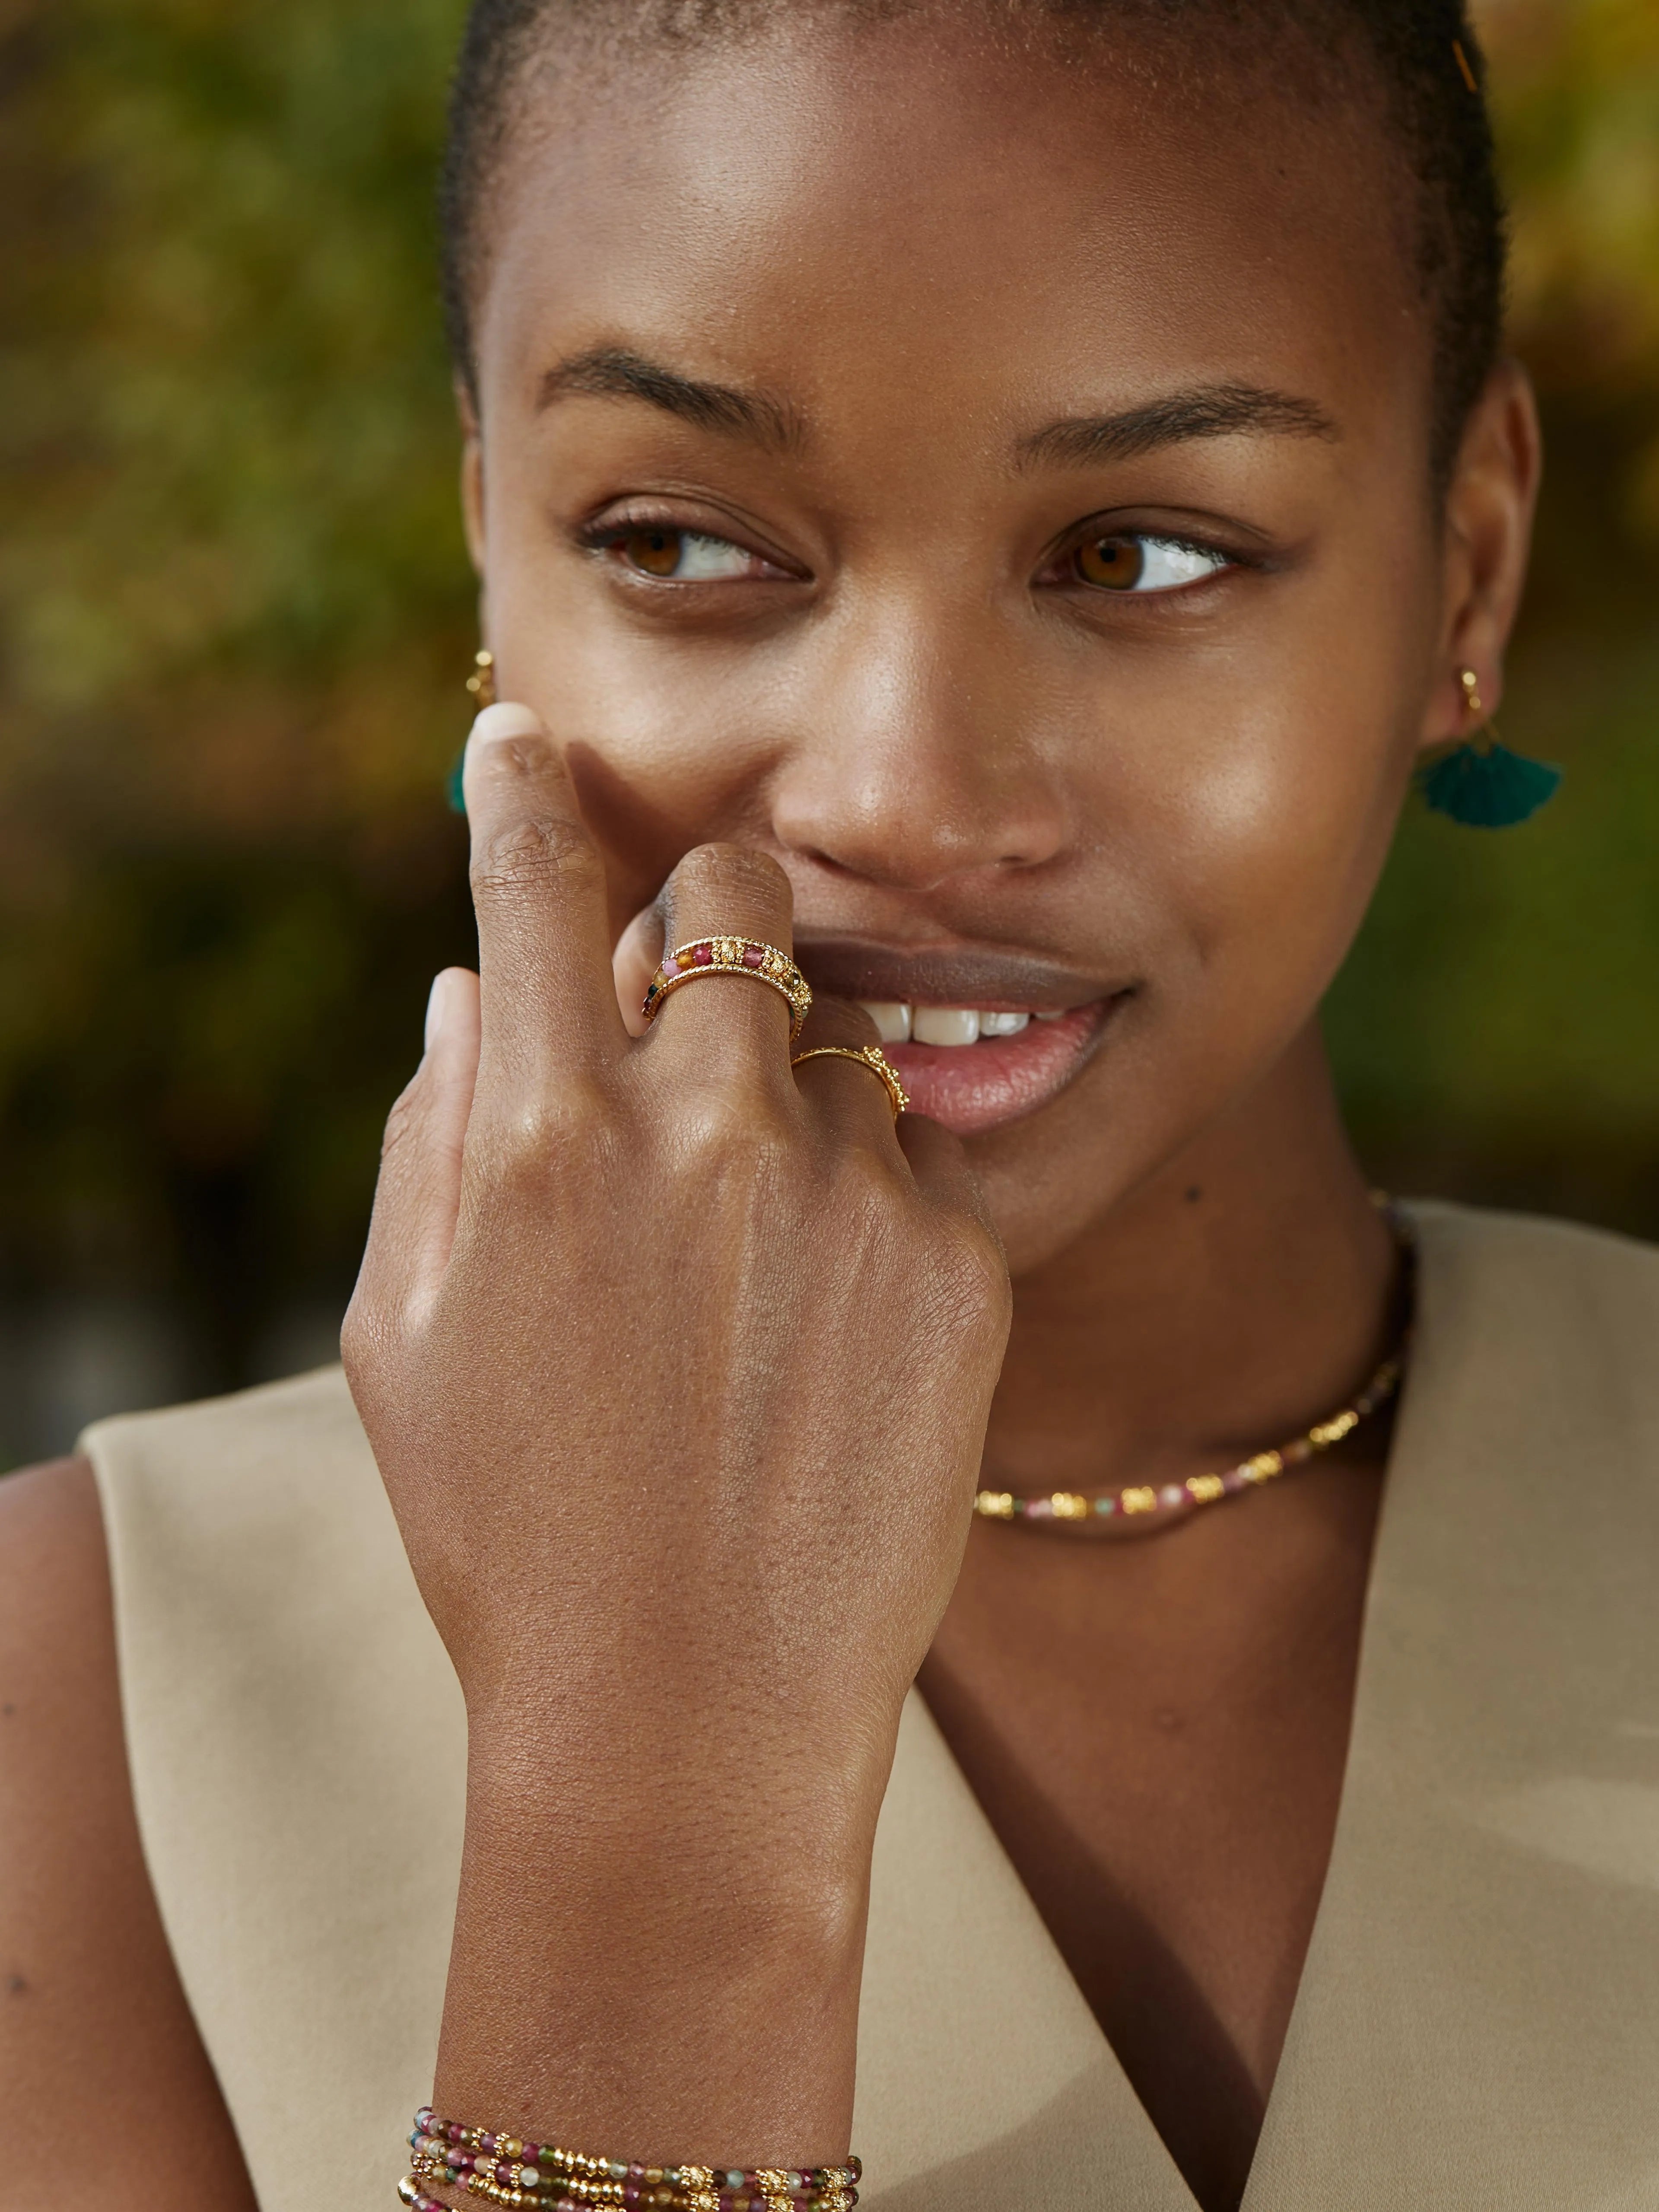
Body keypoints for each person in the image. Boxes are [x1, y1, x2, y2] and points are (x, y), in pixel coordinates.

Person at [3, 3, 1656, 2209]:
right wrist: (657, 1825)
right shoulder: (74, 1712)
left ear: (1466, 572)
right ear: (495, 539)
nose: (898, 793)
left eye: (1144, 553)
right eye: (682, 542)